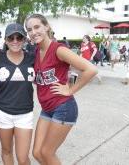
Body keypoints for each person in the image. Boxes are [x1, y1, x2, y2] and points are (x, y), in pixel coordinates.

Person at [24, 14, 97, 165]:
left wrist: (70, 90)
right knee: (37, 153)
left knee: (47, 153)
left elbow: (90, 69)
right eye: (29, 29)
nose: (33, 32)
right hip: (47, 109)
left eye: (37, 27)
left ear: (46, 26)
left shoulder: (58, 49)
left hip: (63, 108)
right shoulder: (36, 51)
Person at [0, 23, 35, 165]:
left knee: (23, 158)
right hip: (3, 113)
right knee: (6, 151)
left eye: (19, 37)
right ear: (5, 40)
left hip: (25, 113)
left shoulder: (32, 57)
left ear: (24, 40)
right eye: (11, 38)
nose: (15, 41)